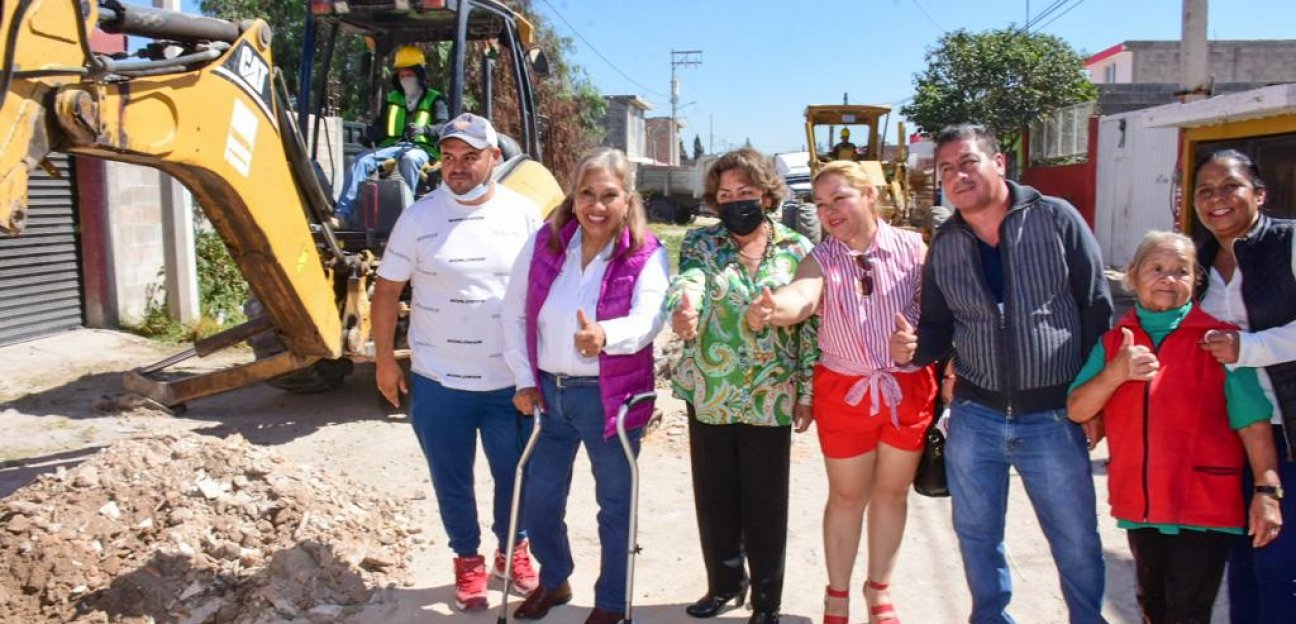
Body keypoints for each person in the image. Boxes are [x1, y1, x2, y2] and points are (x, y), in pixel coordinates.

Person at [889, 124, 1112, 624]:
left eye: (967, 162)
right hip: (975, 416)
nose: (957, 175)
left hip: (1055, 416)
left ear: (999, 163)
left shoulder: (1056, 219)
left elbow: (1097, 310)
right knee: (977, 538)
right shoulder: (945, 242)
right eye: (946, 168)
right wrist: (913, 349)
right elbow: (938, 328)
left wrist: (1097, 402)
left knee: (1075, 539)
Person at [746, 160, 935, 624]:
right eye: (821, 203)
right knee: (847, 497)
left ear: (870, 195)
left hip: (906, 388)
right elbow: (802, 295)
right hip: (845, 391)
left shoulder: (914, 249)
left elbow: (941, 313)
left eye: (839, 198)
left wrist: (918, 342)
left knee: (891, 494)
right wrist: (773, 310)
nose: (829, 211)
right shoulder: (822, 256)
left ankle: (880, 590)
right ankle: (837, 596)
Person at [372, 112, 541, 612]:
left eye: (470, 157)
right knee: (452, 477)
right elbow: (386, 291)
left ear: (494, 158)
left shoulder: (524, 214)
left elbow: (543, 291)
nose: (457, 167)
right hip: (439, 381)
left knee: (516, 474)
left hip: (507, 380)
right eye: (448, 157)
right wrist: (385, 361)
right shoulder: (418, 217)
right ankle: (467, 559)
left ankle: (513, 552)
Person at [1067, 231, 1282, 623]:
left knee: (1188, 611)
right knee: (1153, 606)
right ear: (1133, 276)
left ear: (1195, 281)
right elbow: (1078, 409)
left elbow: (1253, 423)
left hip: (1204, 505)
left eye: (1181, 271)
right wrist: (1116, 374)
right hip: (1141, 505)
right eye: (1157, 268)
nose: (1169, 278)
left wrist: (1267, 491)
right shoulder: (1116, 342)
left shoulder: (1219, 341)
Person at [500, 147, 669, 624]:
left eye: (609, 195)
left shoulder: (645, 252)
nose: (596, 206)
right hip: (548, 396)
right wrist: (522, 378)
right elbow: (513, 313)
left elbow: (650, 317)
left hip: (608, 400)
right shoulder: (546, 243)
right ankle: (555, 580)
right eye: (587, 194)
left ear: (627, 197)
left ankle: (612, 603)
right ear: (573, 196)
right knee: (540, 496)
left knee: (614, 505)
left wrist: (605, 336)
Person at [669, 147, 817, 624]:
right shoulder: (701, 242)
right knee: (715, 496)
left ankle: (768, 601)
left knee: (766, 501)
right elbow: (689, 279)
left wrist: (807, 392)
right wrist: (684, 306)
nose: (735, 203)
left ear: (767, 195)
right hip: (711, 390)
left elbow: (811, 324)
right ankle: (725, 585)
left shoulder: (797, 248)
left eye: (746, 193)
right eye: (726, 195)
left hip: (770, 393)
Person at [1190, 149, 1293, 624]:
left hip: (1287, 430)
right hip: (1230, 433)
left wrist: (1246, 348)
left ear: (1259, 194)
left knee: (1279, 562)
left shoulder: (1288, 244)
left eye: (1230, 186)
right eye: (1205, 191)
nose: (1217, 199)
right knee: (1241, 559)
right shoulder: (1199, 260)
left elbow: (1238, 348)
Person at [335, 45, 450, 225]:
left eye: (409, 74)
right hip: (392, 147)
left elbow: (445, 127)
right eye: (402, 75)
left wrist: (425, 130)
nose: (405, 78)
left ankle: (408, 216)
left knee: (410, 159)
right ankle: (342, 215)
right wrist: (371, 134)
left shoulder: (435, 99)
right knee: (361, 161)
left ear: (419, 74)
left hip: (421, 149)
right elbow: (381, 124)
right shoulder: (392, 99)